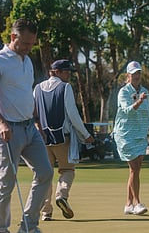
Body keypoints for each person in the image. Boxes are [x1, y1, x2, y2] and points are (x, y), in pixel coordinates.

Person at [0, 18, 53, 233]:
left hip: (30, 127)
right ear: (13, 37)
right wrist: (1, 122)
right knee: (7, 181)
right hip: (7, 129)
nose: (30, 48)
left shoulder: (27, 61)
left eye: (32, 43)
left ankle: (28, 226)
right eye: (26, 43)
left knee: (45, 172)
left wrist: (37, 121)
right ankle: (1, 229)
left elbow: (26, 95)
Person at [33, 59, 94, 221]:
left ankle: (46, 211)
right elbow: (73, 115)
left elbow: (33, 113)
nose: (68, 75)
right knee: (67, 170)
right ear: (56, 72)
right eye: (66, 71)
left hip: (43, 140)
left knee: (45, 175)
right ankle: (62, 195)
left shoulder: (37, 88)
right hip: (63, 139)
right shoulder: (65, 87)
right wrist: (86, 134)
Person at [113, 61, 149, 215]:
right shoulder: (123, 92)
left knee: (135, 171)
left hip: (140, 133)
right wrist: (140, 100)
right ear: (128, 76)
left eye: (139, 73)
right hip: (125, 134)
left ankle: (128, 204)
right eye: (134, 73)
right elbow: (128, 110)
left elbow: (147, 113)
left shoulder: (145, 91)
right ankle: (137, 203)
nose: (137, 76)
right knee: (134, 169)